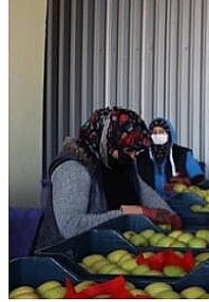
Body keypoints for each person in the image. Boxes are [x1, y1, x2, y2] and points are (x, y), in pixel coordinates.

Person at [35, 107, 182, 250]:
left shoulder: (117, 162)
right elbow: (72, 226)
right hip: (68, 257)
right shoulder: (73, 169)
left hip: (109, 251)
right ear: (109, 142)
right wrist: (131, 212)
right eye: (129, 150)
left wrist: (168, 213)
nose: (133, 156)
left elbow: (143, 191)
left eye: (136, 151)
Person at [136, 117, 205, 196]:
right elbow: (134, 181)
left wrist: (186, 182)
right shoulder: (142, 157)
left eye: (161, 132)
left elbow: (199, 180)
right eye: (154, 132)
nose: (157, 135)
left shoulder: (182, 154)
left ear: (169, 134)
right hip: (149, 203)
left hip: (178, 202)